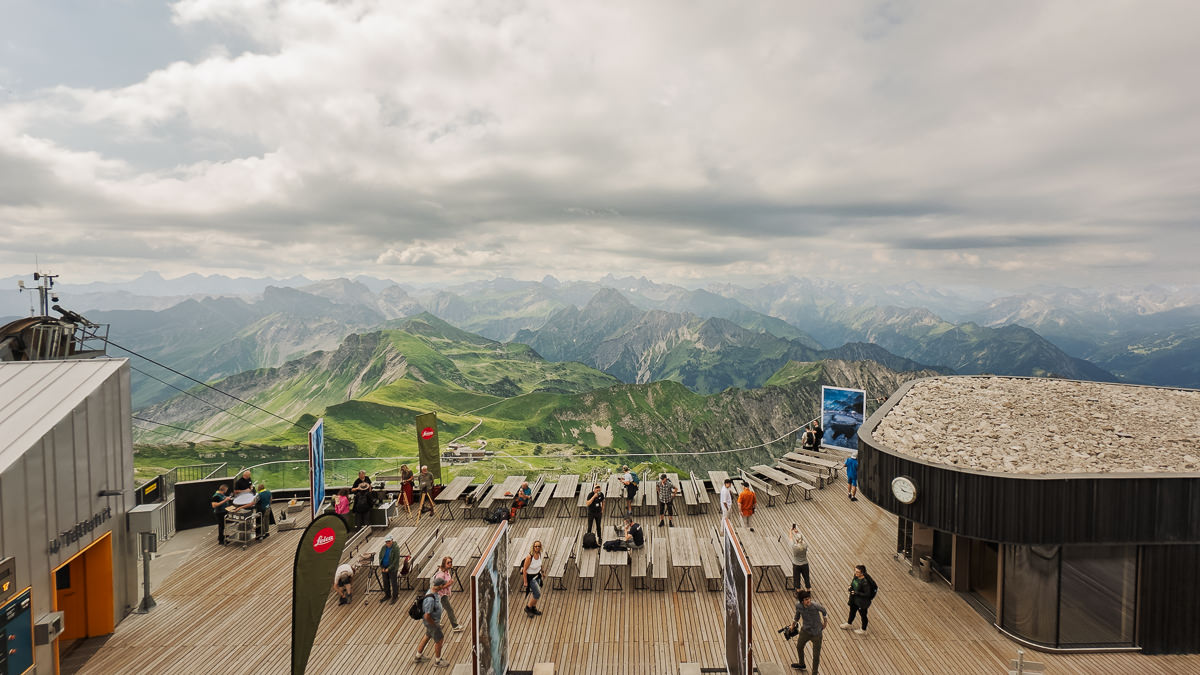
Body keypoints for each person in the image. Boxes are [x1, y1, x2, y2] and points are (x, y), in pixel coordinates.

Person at [414, 577, 450, 667]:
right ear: (439, 586)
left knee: (427, 636)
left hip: (432, 622)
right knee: (439, 639)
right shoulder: (430, 599)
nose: (444, 586)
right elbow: (427, 615)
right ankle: (438, 661)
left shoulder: (434, 592)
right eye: (443, 585)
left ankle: (418, 656)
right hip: (432, 622)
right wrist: (434, 625)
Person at [791, 590, 828, 673]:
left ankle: (814, 673)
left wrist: (825, 622)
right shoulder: (798, 606)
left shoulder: (815, 606)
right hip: (805, 631)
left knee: (816, 655)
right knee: (799, 647)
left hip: (816, 633)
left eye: (809, 598)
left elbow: (824, 611)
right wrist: (792, 625)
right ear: (802, 601)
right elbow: (797, 616)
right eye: (806, 599)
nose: (809, 601)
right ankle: (801, 664)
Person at [840, 564, 877, 635]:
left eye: (857, 572)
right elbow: (853, 583)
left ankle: (863, 629)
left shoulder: (865, 582)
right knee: (852, 611)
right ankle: (849, 623)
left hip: (862, 602)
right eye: (855, 571)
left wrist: (856, 592)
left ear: (862, 573)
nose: (855, 573)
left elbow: (867, 594)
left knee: (863, 615)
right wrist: (850, 587)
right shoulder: (856, 576)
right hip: (854, 599)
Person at [431, 556, 464, 632]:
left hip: (443, 594)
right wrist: (449, 584)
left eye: (451, 562)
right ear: (444, 564)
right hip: (440, 595)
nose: (450, 564)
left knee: (438, 609)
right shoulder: (440, 575)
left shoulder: (446, 571)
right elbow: (436, 587)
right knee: (449, 609)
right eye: (448, 562)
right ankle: (455, 626)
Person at [521, 541, 545, 617]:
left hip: (538, 576)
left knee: (536, 593)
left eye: (538, 546)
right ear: (533, 547)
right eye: (536, 546)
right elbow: (524, 570)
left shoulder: (539, 554)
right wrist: (525, 581)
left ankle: (533, 608)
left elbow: (540, 564)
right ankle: (528, 608)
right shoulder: (529, 557)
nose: (537, 548)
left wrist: (542, 572)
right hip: (531, 578)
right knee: (537, 594)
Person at [789, 526, 811, 590]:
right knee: (806, 578)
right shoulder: (805, 546)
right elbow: (802, 541)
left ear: (796, 540)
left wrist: (790, 531)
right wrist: (797, 532)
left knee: (797, 578)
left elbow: (790, 538)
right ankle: (808, 590)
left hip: (796, 565)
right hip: (805, 564)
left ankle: (798, 590)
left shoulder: (794, 547)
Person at [379, 535, 399, 602]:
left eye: (389, 541)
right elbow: (380, 557)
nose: (388, 543)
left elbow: (395, 560)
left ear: (392, 540)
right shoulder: (383, 548)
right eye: (386, 541)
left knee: (393, 582)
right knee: (385, 582)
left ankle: (395, 596)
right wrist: (382, 566)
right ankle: (387, 595)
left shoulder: (396, 548)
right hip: (384, 567)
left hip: (392, 568)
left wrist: (389, 568)